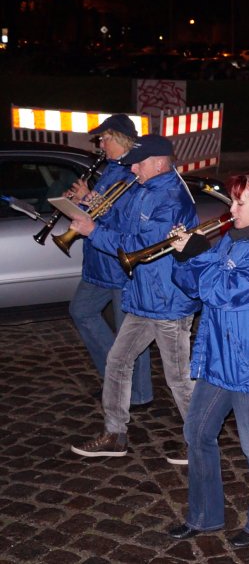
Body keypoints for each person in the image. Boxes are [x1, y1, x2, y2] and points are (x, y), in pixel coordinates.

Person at [167, 173, 249, 549]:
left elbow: (226, 291)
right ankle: (205, 516)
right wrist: (186, 254)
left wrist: (195, 254)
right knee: (197, 434)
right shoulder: (234, 240)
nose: (231, 209)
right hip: (222, 357)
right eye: (232, 201)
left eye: (241, 203)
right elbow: (193, 284)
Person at [69, 135, 199, 461]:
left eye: (138, 163)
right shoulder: (144, 189)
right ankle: (115, 434)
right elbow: (117, 220)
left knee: (179, 378)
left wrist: (92, 232)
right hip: (143, 298)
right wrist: (91, 208)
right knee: (117, 361)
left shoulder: (172, 198)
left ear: (158, 163)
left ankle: (200, 442)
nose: (133, 168)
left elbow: (142, 246)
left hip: (169, 302)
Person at [68, 114, 152, 408]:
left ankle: (139, 395)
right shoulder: (110, 169)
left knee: (129, 335)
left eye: (103, 139)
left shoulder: (134, 169)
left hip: (119, 262)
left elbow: (125, 219)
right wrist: (81, 201)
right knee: (81, 311)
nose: (100, 144)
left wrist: (91, 199)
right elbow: (101, 209)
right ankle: (115, 377)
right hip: (100, 261)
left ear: (118, 137)